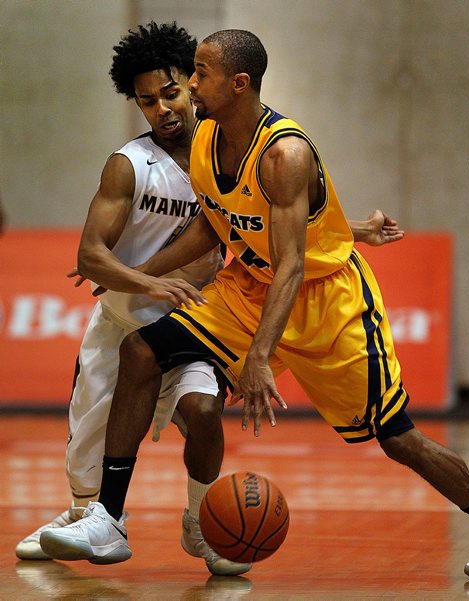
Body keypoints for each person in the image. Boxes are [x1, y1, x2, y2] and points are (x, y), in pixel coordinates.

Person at [17, 22, 403, 573]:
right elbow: (89, 256)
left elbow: (259, 220)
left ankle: (200, 521)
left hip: (196, 315)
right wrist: (145, 279)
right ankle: (82, 518)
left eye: (173, 91)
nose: (164, 108)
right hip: (124, 319)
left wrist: (356, 229)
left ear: (194, 86)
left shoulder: (223, 144)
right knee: (87, 455)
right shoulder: (131, 164)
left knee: (202, 411)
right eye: (147, 101)